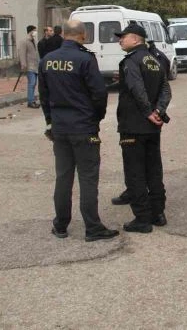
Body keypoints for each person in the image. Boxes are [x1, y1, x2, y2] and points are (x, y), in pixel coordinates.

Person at [38, 20, 118, 242]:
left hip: (60, 128)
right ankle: (92, 227)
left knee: (63, 177)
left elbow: (44, 96)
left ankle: (60, 225)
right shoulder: (85, 59)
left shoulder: (47, 60)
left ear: (63, 34)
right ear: (83, 35)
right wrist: (96, 118)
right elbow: (99, 93)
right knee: (88, 177)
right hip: (83, 127)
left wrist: (50, 121)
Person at [114, 23, 172, 233]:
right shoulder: (154, 59)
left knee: (135, 172)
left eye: (124, 36)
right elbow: (166, 89)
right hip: (152, 125)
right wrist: (158, 110)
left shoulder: (131, 60)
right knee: (153, 170)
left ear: (136, 39)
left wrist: (148, 111)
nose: (120, 40)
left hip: (134, 125)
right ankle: (158, 213)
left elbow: (136, 88)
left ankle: (142, 218)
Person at [19, 25, 40, 108]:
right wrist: (23, 64)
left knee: (33, 84)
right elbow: (22, 54)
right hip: (29, 66)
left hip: (35, 65)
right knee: (32, 83)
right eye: (34, 30)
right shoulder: (24, 41)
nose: (35, 32)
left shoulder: (34, 41)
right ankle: (30, 101)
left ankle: (32, 100)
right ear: (30, 31)